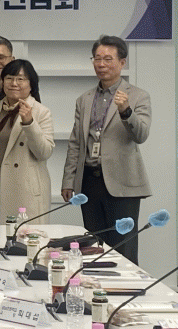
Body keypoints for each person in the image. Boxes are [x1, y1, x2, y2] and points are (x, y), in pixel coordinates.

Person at [61, 36, 150, 264]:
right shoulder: (84, 99)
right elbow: (76, 142)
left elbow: (141, 135)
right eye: (97, 58)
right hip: (90, 182)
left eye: (108, 59)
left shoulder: (138, 96)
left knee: (123, 246)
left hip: (123, 184)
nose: (101, 64)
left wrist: (126, 111)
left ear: (122, 62)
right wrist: (69, 180)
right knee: (94, 246)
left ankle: (126, 286)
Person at [0, 59, 54, 225]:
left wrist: (29, 123)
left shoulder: (41, 111)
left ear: (31, 85)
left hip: (24, 191)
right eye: (9, 78)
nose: (14, 83)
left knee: (24, 238)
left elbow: (44, 152)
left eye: (20, 79)